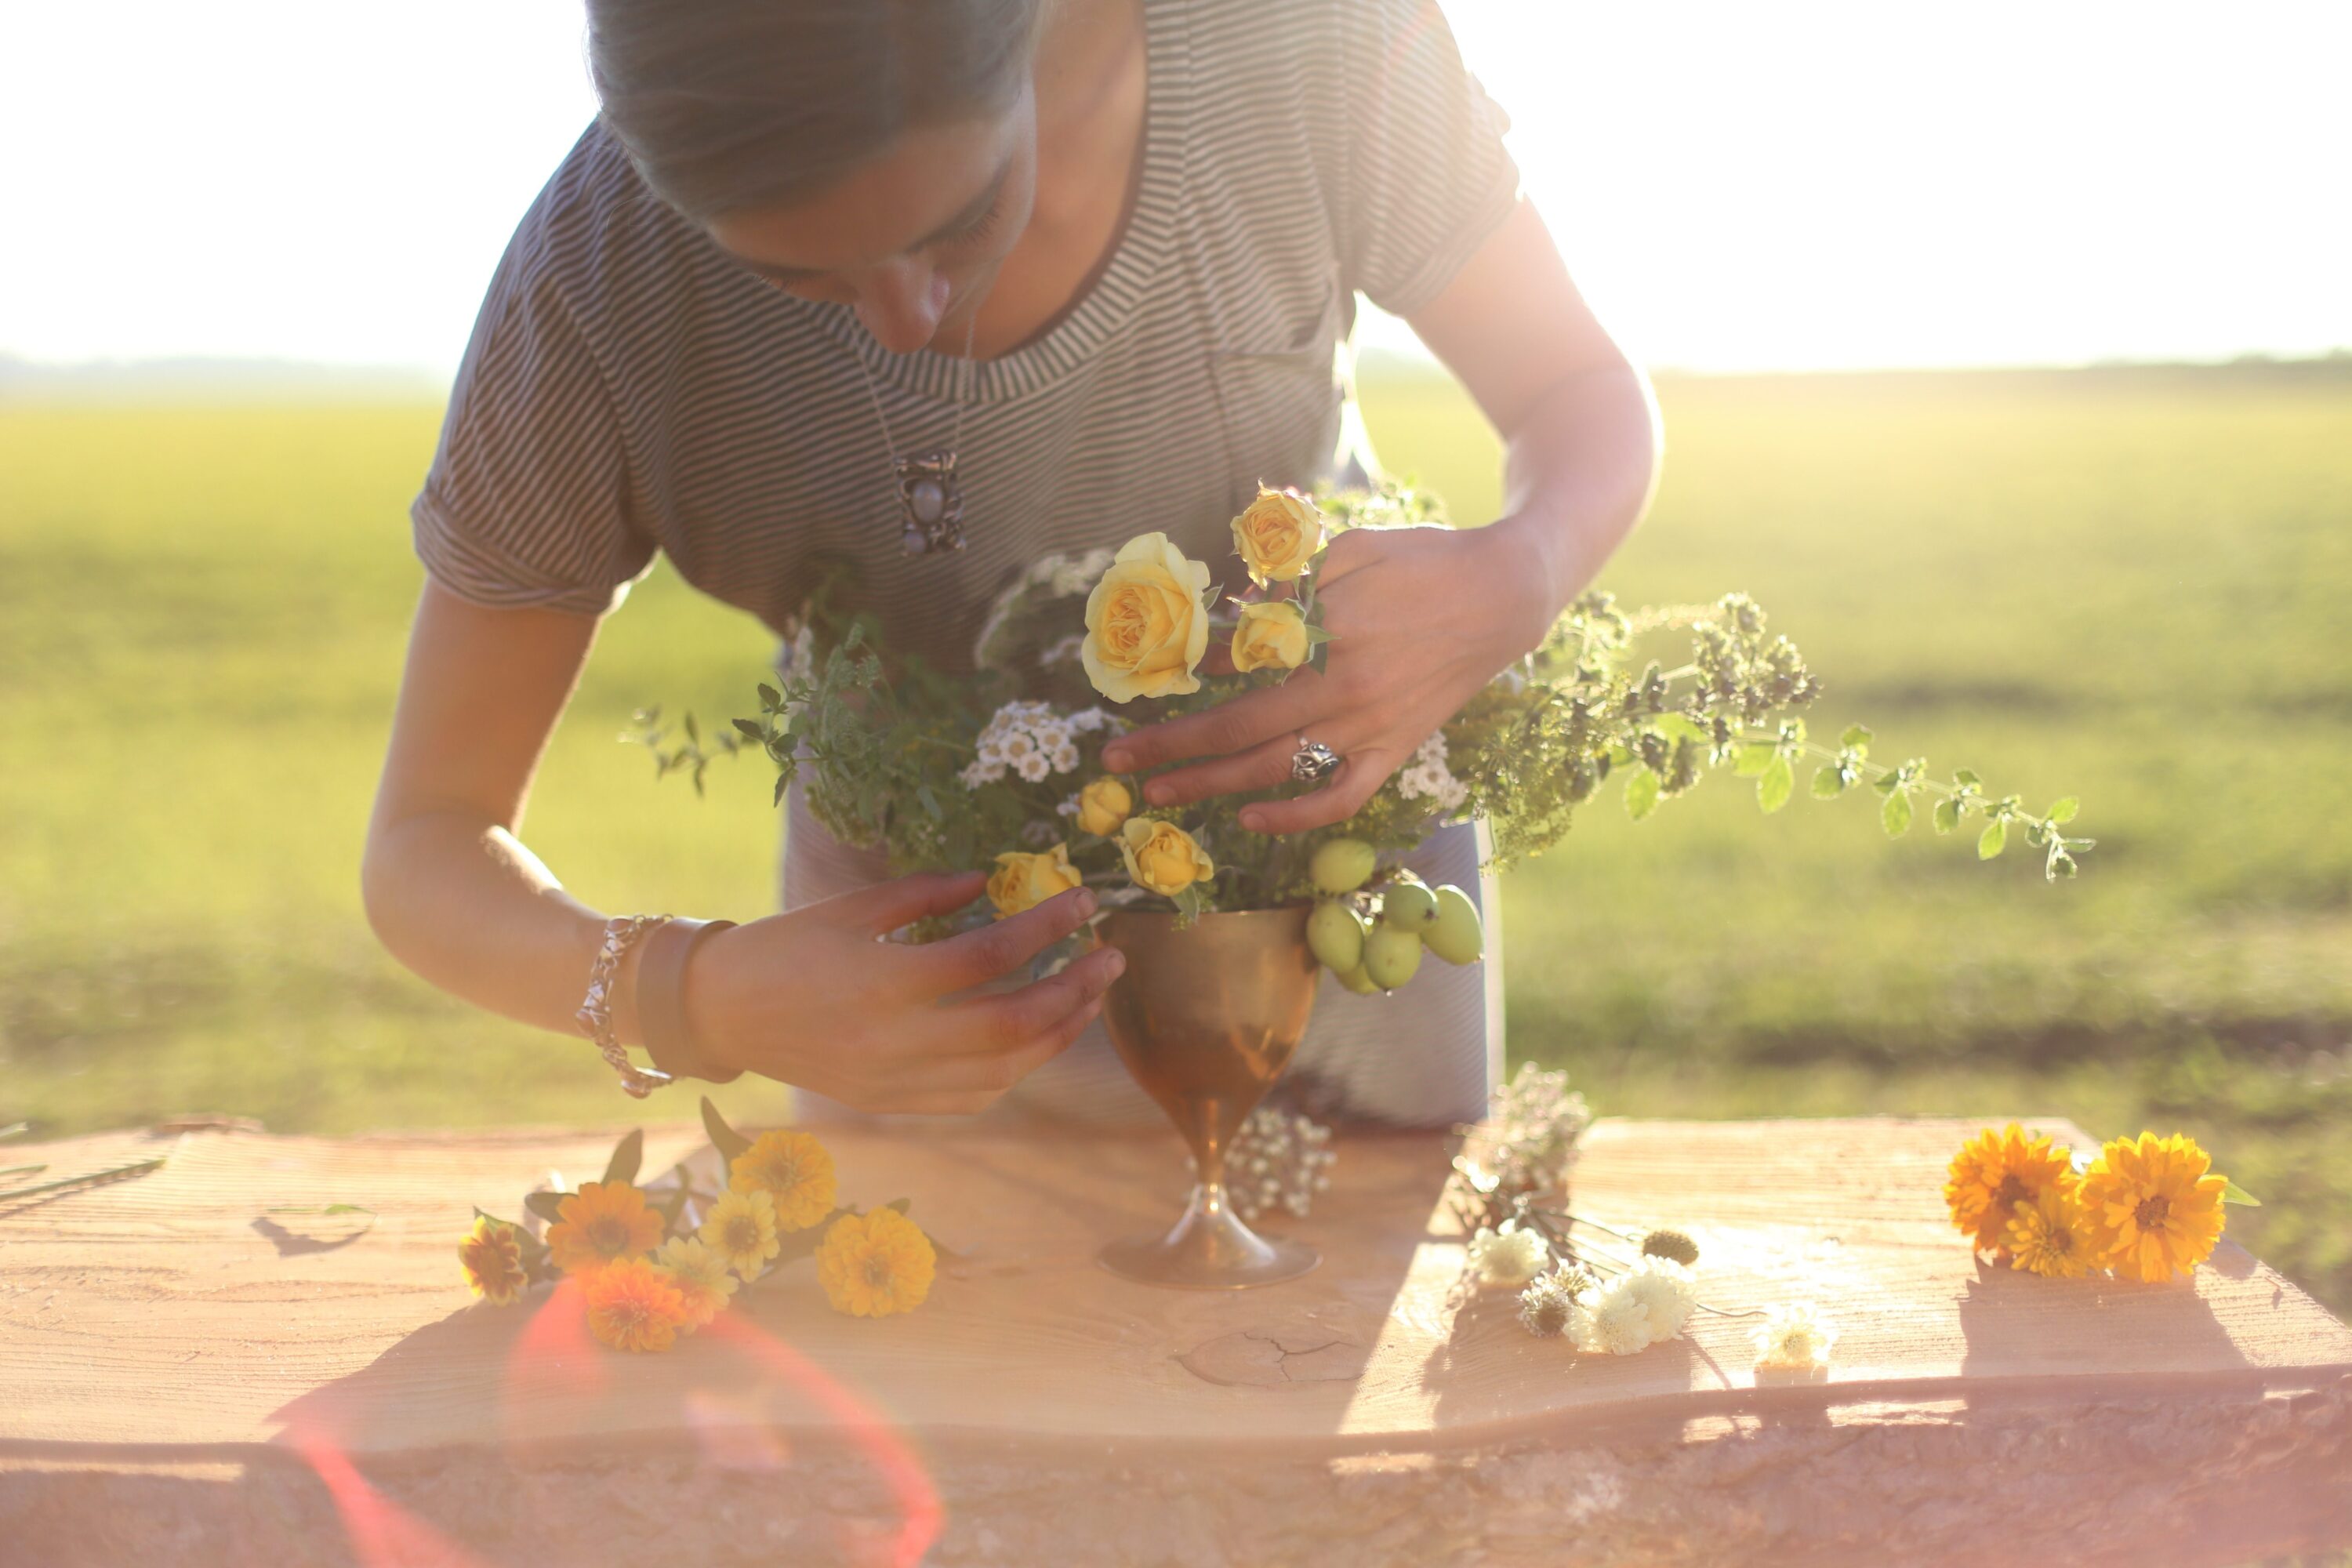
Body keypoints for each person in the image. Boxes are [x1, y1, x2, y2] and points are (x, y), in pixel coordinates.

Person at [362, 0, 1659, 1126]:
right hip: (928, 1003)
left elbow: (1580, 391)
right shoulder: (595, 290)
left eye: (959, 218)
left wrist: (1518, 575)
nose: (910, 319)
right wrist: (693, 992)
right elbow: (425, 847)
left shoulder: (1294, 41)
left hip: (1323, 915)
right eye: (797, 277)